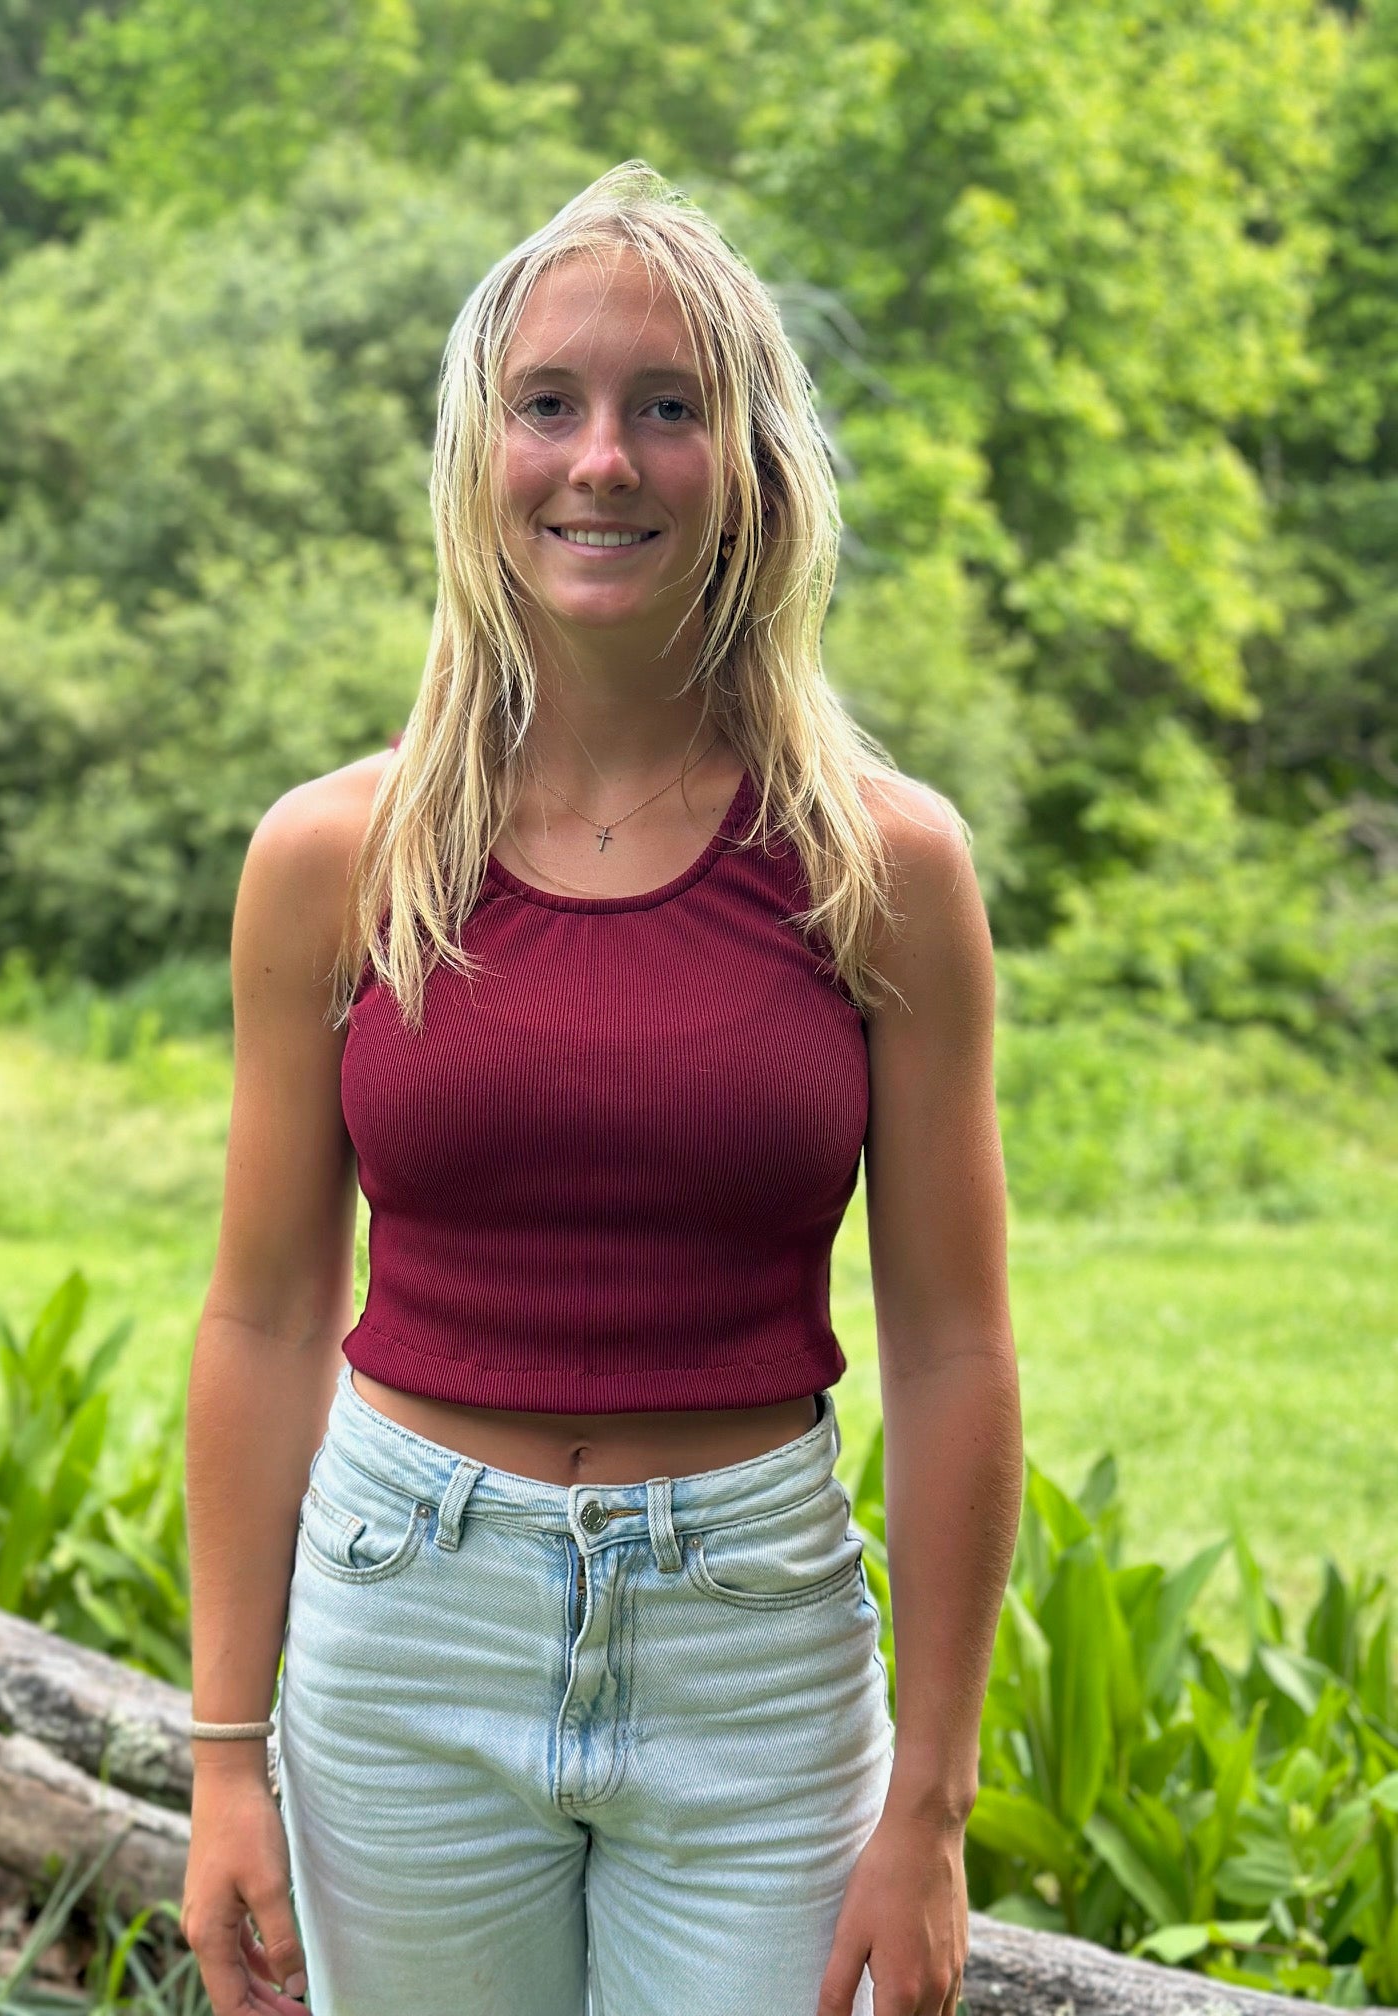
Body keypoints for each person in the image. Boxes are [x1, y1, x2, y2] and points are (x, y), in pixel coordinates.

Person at [179, 159, 1023, 2016]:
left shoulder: (885, 867)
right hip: (403, 1633)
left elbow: (957, 1347)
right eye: (548, 405)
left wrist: (934, 1809)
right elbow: (261, 1312)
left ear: (753, 462)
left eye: (667, 408)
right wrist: (226, 1752)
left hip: (756, 1655)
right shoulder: (338, 856)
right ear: (479, 454)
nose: (603, 461)